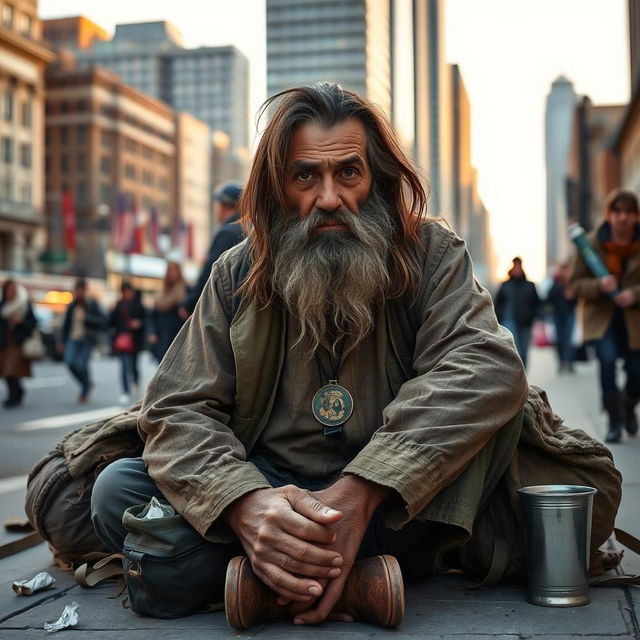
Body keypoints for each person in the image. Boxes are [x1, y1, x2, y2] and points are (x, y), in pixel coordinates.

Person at [90, 84, 616, 626]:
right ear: (278, 187)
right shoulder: (237, 271)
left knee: (514, 485)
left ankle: (261, 582)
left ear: (378, 179)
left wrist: (362, 491)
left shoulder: (431, 253)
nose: (329, 198)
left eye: (348, 172)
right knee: (115, 492)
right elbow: (176, 408)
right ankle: (348, 581)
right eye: (305, 176)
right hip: (271, 488)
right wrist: (245, 506)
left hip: (397, 500)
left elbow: (487, 368)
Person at [569, 189, 640, 444]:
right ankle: (614, 420)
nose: (622, 218)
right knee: (607, 361)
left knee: (636, 372)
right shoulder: (590, 243)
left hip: (633, 319)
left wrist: (633, 293)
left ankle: (628, 404)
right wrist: (600, 287)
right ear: (608, 215)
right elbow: (575, 284)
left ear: (635, 217)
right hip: (603, 318)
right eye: (617, 212)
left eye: (628, 212)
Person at [179, 182, 244, 318]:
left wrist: (189, 303)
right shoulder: (247, 230)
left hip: (222, 309)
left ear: (223, 205)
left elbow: (211, 272)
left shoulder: (226, 233)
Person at [61, 278, 106, 403]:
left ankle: (84, 390)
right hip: (73, 338)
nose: (80, 292)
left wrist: (87, 318)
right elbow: (66, 324)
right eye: (78, 290)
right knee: (70, 362)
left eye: (82, 289)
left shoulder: (92, 304)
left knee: (82, 364)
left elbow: (102, 321)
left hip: (87, 339)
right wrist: (61, 341)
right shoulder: (72, 305)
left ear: (85, 290)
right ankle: (86, 383)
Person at [494, 257, 540, 369]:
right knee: (514, 350)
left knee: (524, 351)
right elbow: (497, 303)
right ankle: (515, 374)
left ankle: (523, 375)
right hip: (508, 322)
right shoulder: (505, 285)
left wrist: (536, 317)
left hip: (526, 323)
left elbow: (537, 303)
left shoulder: (530, 285)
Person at [0, 279, 36, 407]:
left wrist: (20, 322)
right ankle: (18, 391)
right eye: (8, 289)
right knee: (6, 371)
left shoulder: (23, 304)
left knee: (11, 370)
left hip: (18, 342)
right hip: (4, 342)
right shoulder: (3, 304)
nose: (11, 292)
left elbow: (33, 322)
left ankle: (13, 396)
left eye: (13, 289)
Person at [109, 282, 146, 404]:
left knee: (134, 366)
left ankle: (135, 382)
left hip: (135, 341)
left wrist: (139, 323)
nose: (128, 294)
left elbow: (146, 320)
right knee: (124, 367)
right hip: (123, 342)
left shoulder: (138, 304)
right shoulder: (119, 305)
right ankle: (125, 391)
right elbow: (111, 322)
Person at [148, 261, 186, 362]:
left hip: (178, 335)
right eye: (170, 271)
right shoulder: (161, 292)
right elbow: (153, 315)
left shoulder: (184, 290)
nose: (172, 274)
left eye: (174, 271)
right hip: (162, 335)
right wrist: (152, 332)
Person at [546, 263, 577, 373]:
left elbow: (578, 298)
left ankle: (569, 362)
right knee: (559, 339)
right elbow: (549, 297)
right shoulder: (556, 282)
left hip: (570, 313)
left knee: (568, 340)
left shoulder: (572, 283)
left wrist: (573, 295)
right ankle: (561, 362)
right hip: (558, 314)